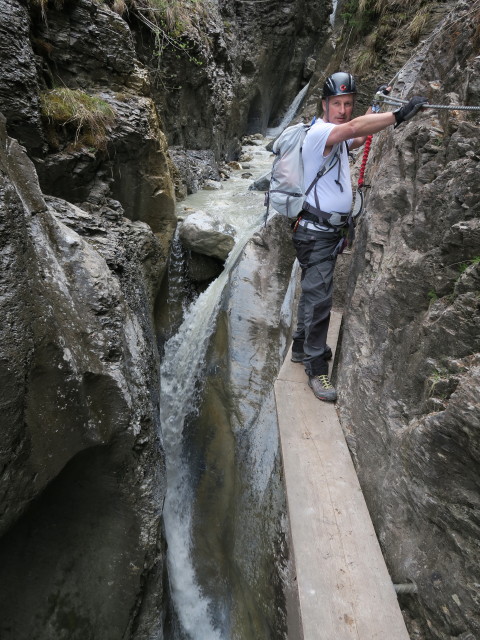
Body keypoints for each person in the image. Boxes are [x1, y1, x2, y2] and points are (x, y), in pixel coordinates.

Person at [290, 71, 428, 402]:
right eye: (336, 103)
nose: (342, 109)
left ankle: (299, 345)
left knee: (313, 289)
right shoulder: (319, 132)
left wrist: (377, 104)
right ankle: (315, 366)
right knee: (322, 297)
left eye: (347, 104)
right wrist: (397, 115)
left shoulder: (333, 136)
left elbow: (355, 136)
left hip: (323, 230)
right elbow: (351, 130)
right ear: (324, 105)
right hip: (316, 233)